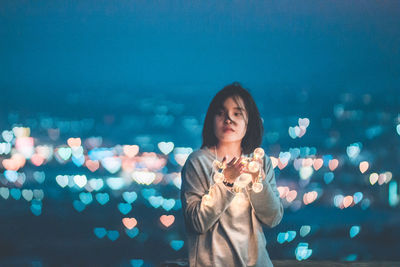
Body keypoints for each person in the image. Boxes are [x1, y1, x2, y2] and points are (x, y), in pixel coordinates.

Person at [180, 82, 284, 267]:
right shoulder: (198, 162)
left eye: (237, 113)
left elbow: (273, 218)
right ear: (211, 119)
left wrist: (256, 181)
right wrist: (227, 182)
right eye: (220, 113)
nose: (228, 119)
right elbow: (196, 223)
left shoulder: (260, 162)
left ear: (249, 121)